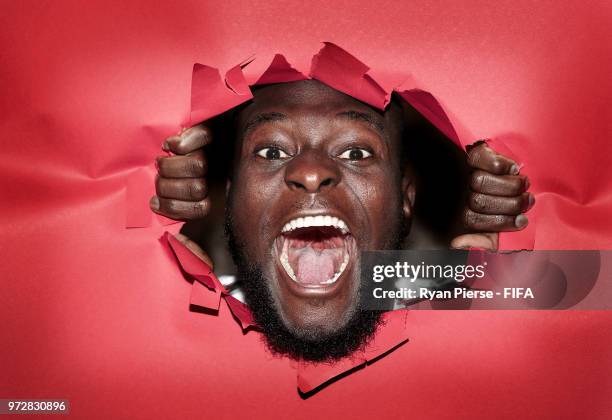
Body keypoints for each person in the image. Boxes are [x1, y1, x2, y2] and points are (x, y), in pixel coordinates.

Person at [149, 79, 533, 362]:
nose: (311, 172)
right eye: (270, 150)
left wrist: (518, 289)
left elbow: (589, 290)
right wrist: (138, 243)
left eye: (355, 152)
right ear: (230, 200)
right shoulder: (172, 302)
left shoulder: (444, 286)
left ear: (405, 200)